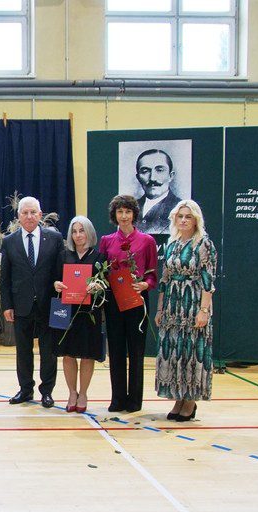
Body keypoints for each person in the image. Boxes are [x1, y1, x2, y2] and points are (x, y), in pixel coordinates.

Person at [154, 200, 217, 422]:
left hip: (192, 305)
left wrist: (203, 310)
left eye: (188, 217)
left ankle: (190, 400)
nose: (183, 220)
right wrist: (161, 308)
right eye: (180, 216)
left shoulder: (204, 244)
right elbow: (164, 279)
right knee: (174, 352)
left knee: (191, 353)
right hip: (173, 306)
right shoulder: (172, 244)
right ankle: (178, 398)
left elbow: (208, 281)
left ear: (196, 220)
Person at [0, 196, 65, 408]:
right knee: (23, 350)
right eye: (25, 213)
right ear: (18, 216)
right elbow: (5, 278)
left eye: (33, 212)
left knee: (49, 351)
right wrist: (7, 305)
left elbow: (60, 273)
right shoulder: (9, 241)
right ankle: (25, 390)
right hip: (21, 305)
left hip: (48, 304)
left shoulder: (54, 238)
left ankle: (47, 391)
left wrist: (60, 301)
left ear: (40, 214)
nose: (29, 216)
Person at [99, 194, 158, 413]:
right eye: (120, 212)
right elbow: (102, 271)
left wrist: (145, 285)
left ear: (134, 214)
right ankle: (117, 399)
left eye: (128, 212)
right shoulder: (106, 241)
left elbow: (153, 274)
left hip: (137, 301)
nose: (124, 216)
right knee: (115, 351)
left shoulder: (147, 241)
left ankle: (134, 400)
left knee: (135, 351)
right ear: (114, 215)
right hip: (114, 302)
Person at [51, 216, 104, 413]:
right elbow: (54, 280)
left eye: (82, 231)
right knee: (68, 354)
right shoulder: (64, 255)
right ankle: (72, 392)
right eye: (74, 231)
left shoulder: (99, 257)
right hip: (67, 311)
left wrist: (98, 286)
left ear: (89, 233)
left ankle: (83, 393)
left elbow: (105, 287)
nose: (78, 235)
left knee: (87, 355)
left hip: (89, 313)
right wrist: (56, 284)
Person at [134, 149, 181, 234]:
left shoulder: (181, 209)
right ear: (138, 178)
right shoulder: (129, 208)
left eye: (159, 170)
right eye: (145, 171)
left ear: (170, 176)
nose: (152, 178)